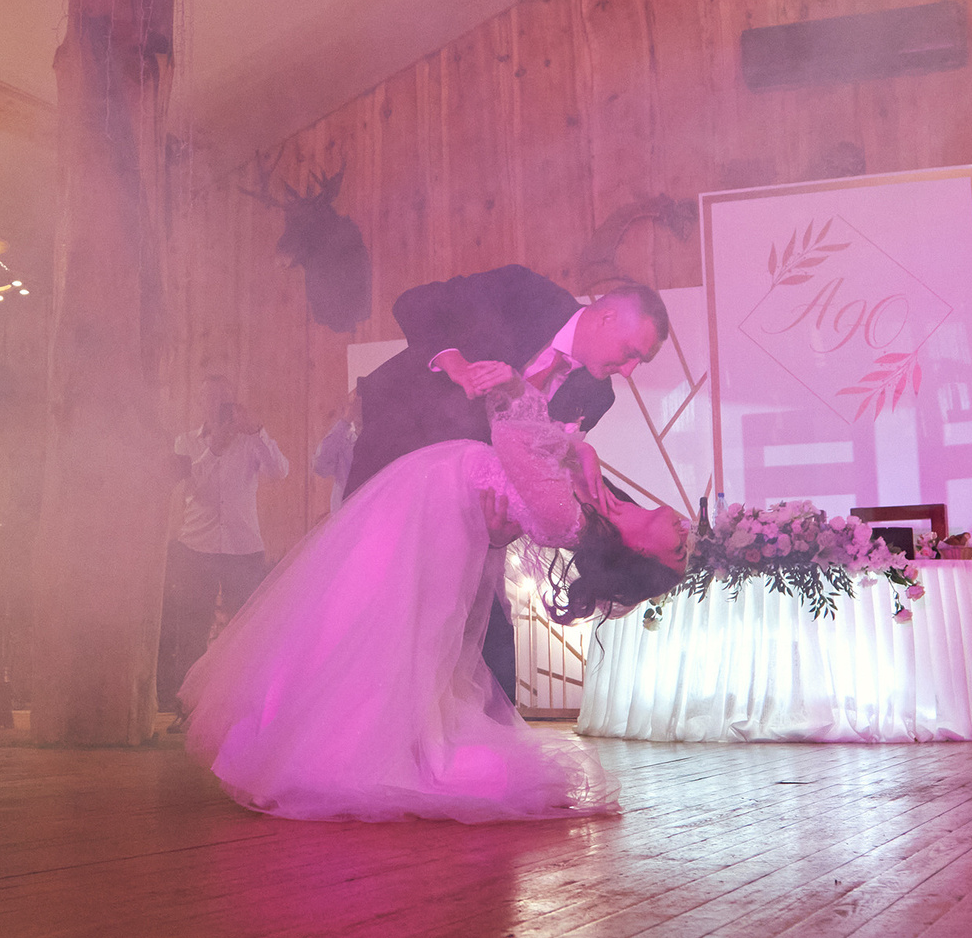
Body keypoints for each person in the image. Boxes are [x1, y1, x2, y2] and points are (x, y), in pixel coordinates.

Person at [181, 384, 686, 822]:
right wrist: (579, 454)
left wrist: (579, 447)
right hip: (436, 494)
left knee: (383, 627)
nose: (684, 527)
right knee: (372, 620)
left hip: (436, 508)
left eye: (679, 547)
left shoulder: (568, 516)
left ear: (643, 553)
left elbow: (509, 433)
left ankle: (337, 752)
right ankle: (307, 734)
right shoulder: (590, 509)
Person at [348, 269, 670, 699]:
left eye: (638, 363)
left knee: (470, 648)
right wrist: (456, 363)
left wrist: (501, 535)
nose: (628, 372)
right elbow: (415, 300)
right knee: (364, 599)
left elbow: (531, 469)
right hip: (396, 452)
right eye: (631, 353)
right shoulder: (524, 291)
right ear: (607, 317)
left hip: (463, 512)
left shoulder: (598, 397)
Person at [157, 376, 290, 714]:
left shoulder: (250, 442)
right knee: (191, 631)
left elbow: (280, 472)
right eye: (212, 398)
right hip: (195, 548)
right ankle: (187, 708)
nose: (219, 405)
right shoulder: (185, 443)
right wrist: (214, 446)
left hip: (243, 549)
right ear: (201, 403)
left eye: (225, 398)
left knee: (245, 631)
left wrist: (258, 430)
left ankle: (242, 707)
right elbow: (189, 488)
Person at [312, 386, 361, 513]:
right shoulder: (344, 441)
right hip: (344, 520)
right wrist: (346, 420)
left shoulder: (383, 439)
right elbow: (320, 467)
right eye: (354, 404)